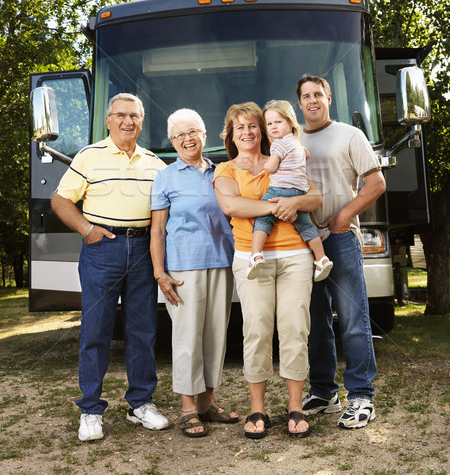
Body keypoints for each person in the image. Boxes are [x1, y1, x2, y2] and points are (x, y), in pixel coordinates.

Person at [51, 93, 169, 442]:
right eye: (120, 115)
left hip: (144, 249)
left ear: (142, 120)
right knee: (96, 330)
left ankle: (140, 404)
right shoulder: (89, 156)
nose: (127, 121)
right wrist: (87, 230)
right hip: (103, 249)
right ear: (108, 120)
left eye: (134, 115)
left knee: (143, 330)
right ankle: (90, 409)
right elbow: (60, 200)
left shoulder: (154, 163)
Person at [213, 102, 323, 439]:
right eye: (239, 128)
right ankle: (257, 408)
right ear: (230, 135)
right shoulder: (226, 170)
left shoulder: (285, 159)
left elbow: (315, 197)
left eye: (253, 126)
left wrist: (296, 201)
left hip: (295, 257)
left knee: (294, 328)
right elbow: (233, 206)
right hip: (251, 258)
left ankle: (295, 407)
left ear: (264, 130)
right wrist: (282, 205)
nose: (247, 133)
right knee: (257, 330)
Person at [296, 75, 386, 429]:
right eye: (306, 96)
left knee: (352, 320)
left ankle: (362, 395)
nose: (312, 100)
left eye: (318, 94)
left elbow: (376, 183)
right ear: (299, 103)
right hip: (303, 242)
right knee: (316, 322)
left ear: (328, 97)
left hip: (340, 238)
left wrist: (344, 215)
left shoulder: (350, 135)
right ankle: (323, 391)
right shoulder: (291, 138)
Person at [150, 109, 238, 438]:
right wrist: (160, 272)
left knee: (216, 335)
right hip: (183, 268)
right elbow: (157, 229)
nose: (187, 139)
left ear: (204, 134)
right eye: (179, 135)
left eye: (193, 132)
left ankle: (206, 404)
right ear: (172, 142)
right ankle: (188, 409)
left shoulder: (222, 172)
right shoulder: (166, 176)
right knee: (187, 338)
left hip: (221, 263)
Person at [247, 99, 333, 282]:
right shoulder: (297, 143)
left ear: (290, 122)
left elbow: (271, 167)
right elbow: (306, 155)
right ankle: (321, 259)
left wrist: (259, 167)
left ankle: (255, 255)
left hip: (280, 189)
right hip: (299, 190)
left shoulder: (278, 144)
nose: (273, 127)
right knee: (306, 226)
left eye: (278, 122)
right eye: (269, 124)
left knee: (262, 217)